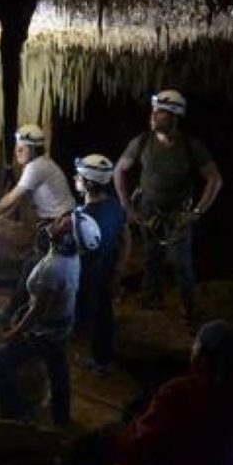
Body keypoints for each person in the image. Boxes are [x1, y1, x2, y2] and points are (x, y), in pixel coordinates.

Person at [111, 319, 233, 465]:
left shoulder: (178, 392)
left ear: (201, 355)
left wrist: (127, 434)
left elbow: (137, 444)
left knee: (112, 434)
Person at [113, 89, 222, 324]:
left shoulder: (191, 146)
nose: (153, 115)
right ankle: (151, 299)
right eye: (154, 110)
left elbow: (215, 179)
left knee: (182, 263)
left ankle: (188, 307)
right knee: (152, 256)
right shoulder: (143, 141)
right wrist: (127, 206)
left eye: (160, 111)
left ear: (174, 116)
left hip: (178, 213)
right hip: (148, 208)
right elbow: (119, 170)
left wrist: (196, 212)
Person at [0, 208, 100, 425]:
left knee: (0, 361)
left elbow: (37, 311)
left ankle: (15, 410)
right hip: (62, 324)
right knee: (58, 368)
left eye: (64, 223)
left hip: (44, 331)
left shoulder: (52, 269)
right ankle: (61, 417)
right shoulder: (70, 258)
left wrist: (14, 333)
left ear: (68, 239)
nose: (58, 220)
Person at [0, 123, 75, 318]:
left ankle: (13, 314)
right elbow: (17, 200)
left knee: (31, 268)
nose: (17, 152)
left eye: (21, 148)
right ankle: (22, 311)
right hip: (60, 221)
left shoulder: (36, 167)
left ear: (32, 149)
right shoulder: (42, 163)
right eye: (17, 147)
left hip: (58, 225)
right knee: (31, 266)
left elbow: (12, 197)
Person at [73, 154, 128, 373]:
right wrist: (119, 271)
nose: (75, 178)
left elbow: (75, 252)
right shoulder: (116, 207)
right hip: (108, 269)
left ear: (88, 184)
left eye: (79, 176)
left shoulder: (83, 218)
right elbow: (126, 240)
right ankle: (105, 358)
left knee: (93, 315)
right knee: (104, 313)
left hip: (88, 274)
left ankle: (98, 361)